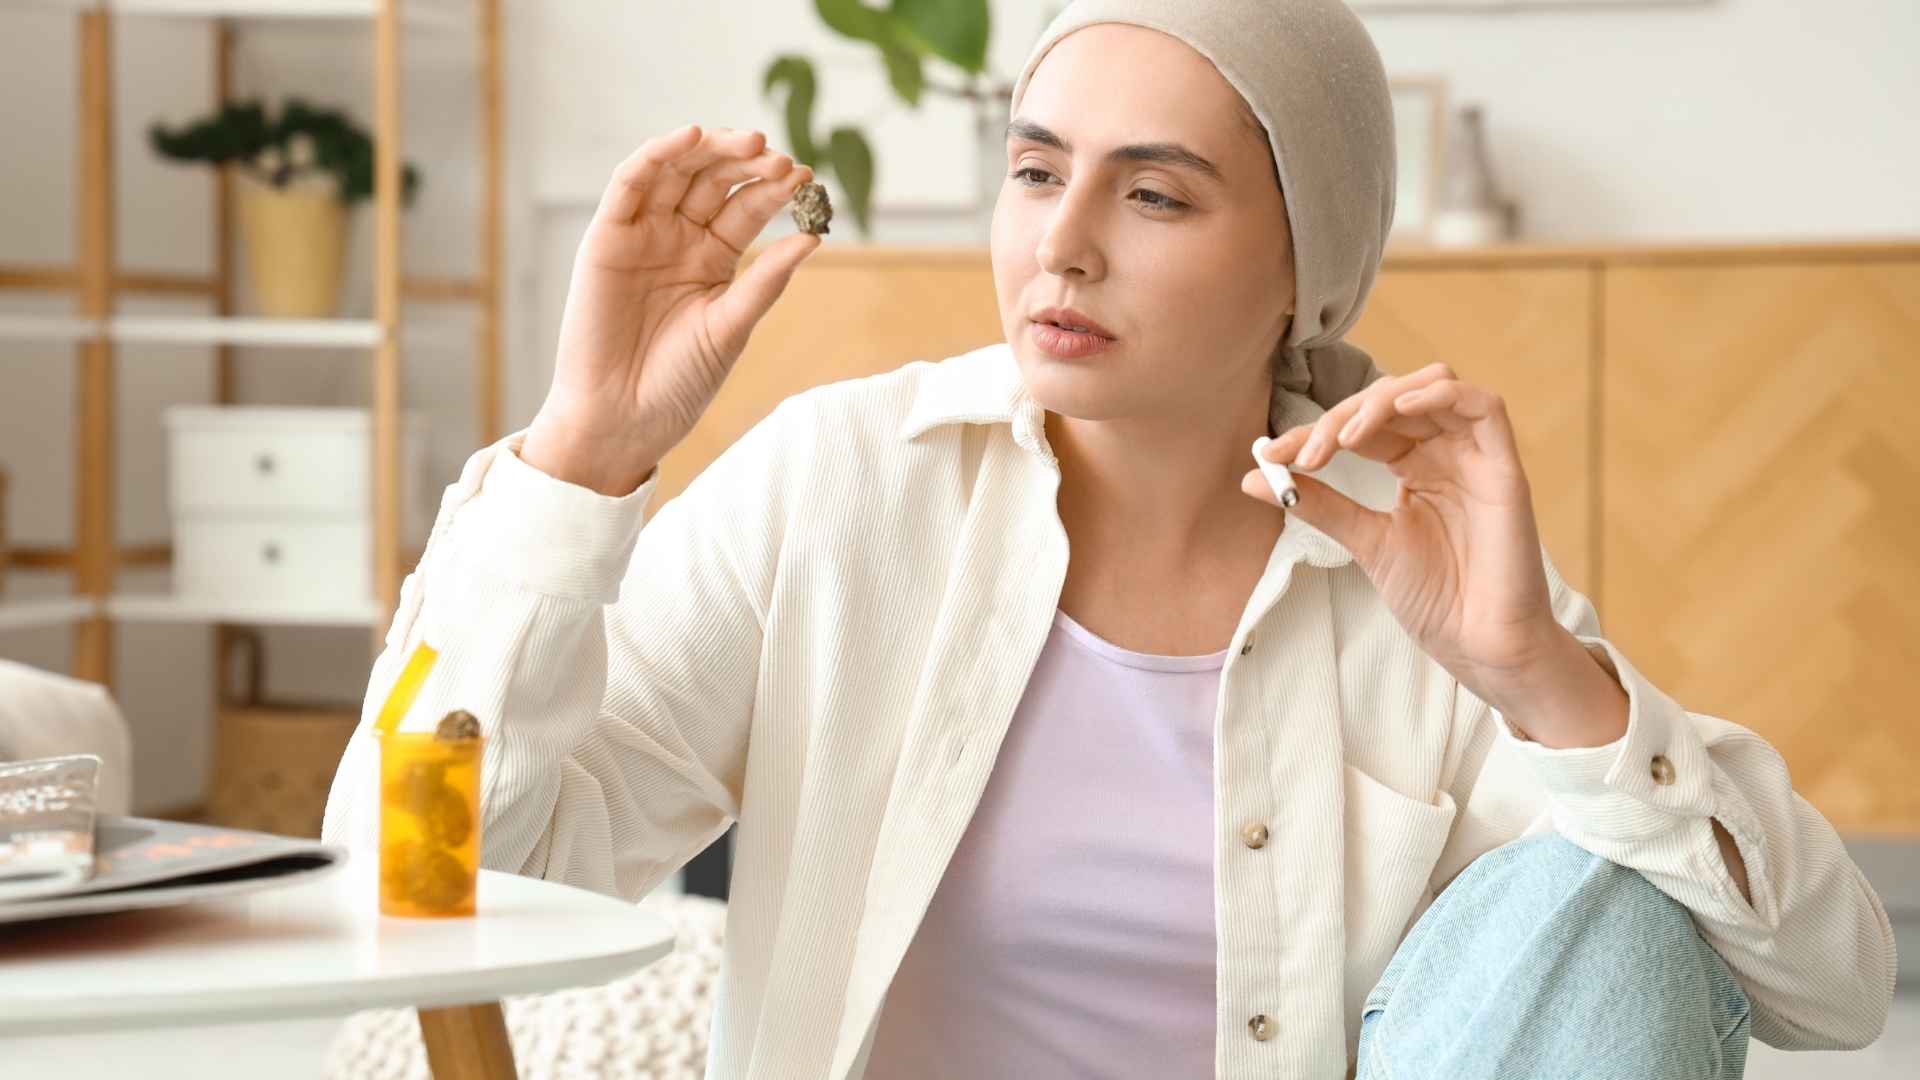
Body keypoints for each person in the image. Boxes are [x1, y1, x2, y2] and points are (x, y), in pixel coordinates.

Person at [322, 2, 1897, 1077]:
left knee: (1618, 900)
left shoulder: (1414, 577)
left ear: (1304, 271)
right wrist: (582, 454)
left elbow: (1829, 992)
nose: (1061, 246)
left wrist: (1544, 678)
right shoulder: (841, 484)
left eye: (1155, 196)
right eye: (1034, 172)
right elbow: (415, 883)